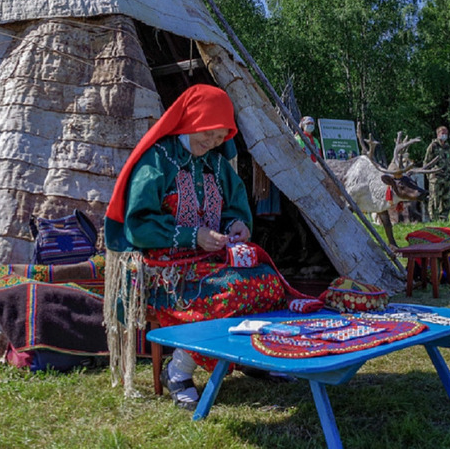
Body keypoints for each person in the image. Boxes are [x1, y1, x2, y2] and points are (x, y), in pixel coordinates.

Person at [104, 85, 305, 410]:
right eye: (208, 135)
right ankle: (179, 371)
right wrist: (190, 236)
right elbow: (138, 225)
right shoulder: (157, 161)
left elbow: (236, 208)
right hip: (165, 270)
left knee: (266, 280)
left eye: (219, 138)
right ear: (191, 121)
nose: (212, 144)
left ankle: (251, 358)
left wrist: (235, 226)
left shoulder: (216, 164)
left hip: (208, 261)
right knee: (230, 292)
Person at [423, 125, 450, 221]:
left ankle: (444, 219)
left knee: (446, 199)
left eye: (446, 133)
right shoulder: (433, 146)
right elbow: (426, 162)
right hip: (436, 178)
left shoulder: (447, 147)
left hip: (447, 178)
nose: (444, 135)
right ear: (438, 134)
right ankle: (434, 220)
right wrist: (430, 177)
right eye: (442, 133)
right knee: (434, 199)